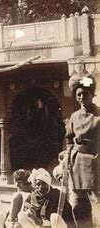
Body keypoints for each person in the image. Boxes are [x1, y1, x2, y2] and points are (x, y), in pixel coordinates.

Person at [64, 74, 99, 228]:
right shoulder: (74, 116)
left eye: (85, 94)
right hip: (76, 164)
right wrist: (67, 159)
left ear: (92, 95)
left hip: (95, 164)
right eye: (78, 94)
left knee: (96, 203)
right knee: (78, 203)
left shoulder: (98, 115)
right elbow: (69, 139)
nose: (82, 97)